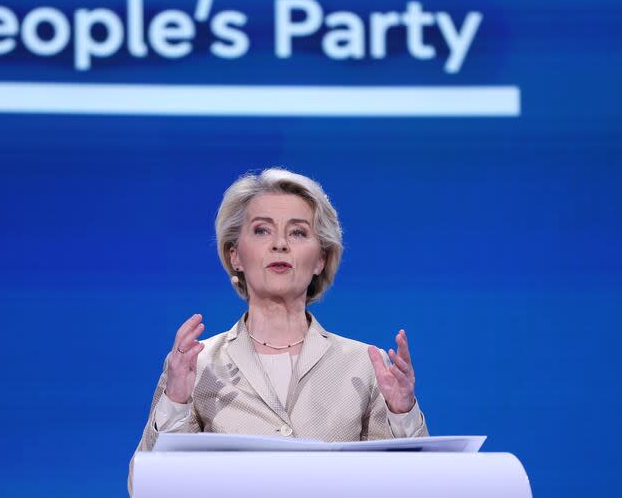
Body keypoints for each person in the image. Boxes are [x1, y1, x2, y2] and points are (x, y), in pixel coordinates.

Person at [128, 168, 428, 495]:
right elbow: (145, 489)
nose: (280, 244)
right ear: (235, 255)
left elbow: (411, 486)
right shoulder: (198, 366)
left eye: (298, 233)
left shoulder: (365, 366)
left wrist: (402, 413)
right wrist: (175, 402)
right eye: (261, 231)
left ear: (321, 259)